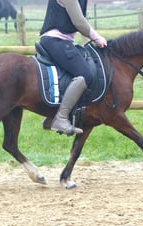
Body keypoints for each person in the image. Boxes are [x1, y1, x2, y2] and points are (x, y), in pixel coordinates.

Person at [40, 0, 107, 135]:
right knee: (84, 75)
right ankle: (61, 118)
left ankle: (52, 115)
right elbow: (79, 22)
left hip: (63, 40)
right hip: (56, 40)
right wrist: (97, 38)